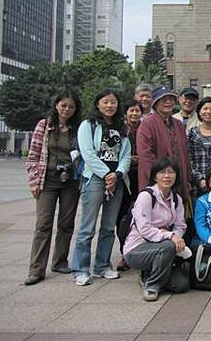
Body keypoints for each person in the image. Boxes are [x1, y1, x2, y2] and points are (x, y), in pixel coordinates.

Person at [71, 89, 131, 286]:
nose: (109, 105)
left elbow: (126, 155)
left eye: (113, 102)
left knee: (108, 227)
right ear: (98, 104)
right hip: (95, 180)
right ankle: (80, 269)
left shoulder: (122, 127)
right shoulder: (88, 125)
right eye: (105, 102)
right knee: (87, 227)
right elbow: (88, 153)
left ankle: (102, 265)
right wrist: (106, 174)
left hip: (117, 180)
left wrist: (117, 174)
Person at [24, 89, 83, 286]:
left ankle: (60, 262)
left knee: (66, 223)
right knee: (43, 224)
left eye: (71, 107)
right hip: (47, 179)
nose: (67, 109)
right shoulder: (44, 125)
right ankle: (36, 269)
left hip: (71, 181)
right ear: (56, 105)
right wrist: (34, 181)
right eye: (63, 105)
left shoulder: (78, 128)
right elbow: (33, 156)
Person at [123, 157, 187, 301]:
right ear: (154, 176)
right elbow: (144, 229)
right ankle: (152, 285)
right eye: (162, 172)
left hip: (162, 247)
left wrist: (176, 236)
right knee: (168, 247)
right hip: (137, 248)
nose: (166, 176)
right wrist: (170, 236)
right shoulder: (146, 196)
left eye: (171, 172)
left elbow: (180, 225)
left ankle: (150, 273)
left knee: (181, 285)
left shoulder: (176, 199)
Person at [137, 85, 191, 201]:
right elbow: (146, 156)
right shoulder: (147, 124)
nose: (168, 102)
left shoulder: (178, 124)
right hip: (158, 182)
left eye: (171, 99)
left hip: (178, 180)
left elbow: (185, 154)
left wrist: (186, 179)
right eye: (164, 99)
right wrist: (159, 178)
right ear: (155, 103)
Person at [115, 99, 143, 271]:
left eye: (137, 111)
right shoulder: (120, 129)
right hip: (123, 177)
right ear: (125, 113)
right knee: (122, 216)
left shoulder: (145, 127)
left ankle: (139, 251)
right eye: (131, 110)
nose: (134, 114)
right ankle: (124, 252)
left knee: (140, 215)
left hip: (141, 176)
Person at [188, 97, 211, 196]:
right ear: (199, 112)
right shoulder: (192, 133)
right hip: (197, 185)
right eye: (205, 109)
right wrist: (199, 179)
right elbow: (189, 159)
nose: (208, 112)